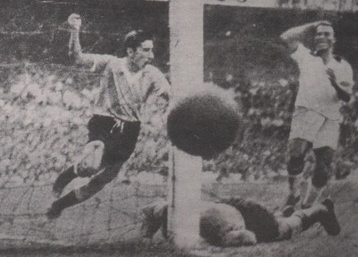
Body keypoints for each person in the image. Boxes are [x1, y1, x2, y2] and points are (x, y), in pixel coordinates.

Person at [46, 13, 170, 219]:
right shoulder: (112, 64)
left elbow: (168, 93)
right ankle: (64, 178)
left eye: (152, 50)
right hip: (104, 122)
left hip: (130, 129)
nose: (151, 56)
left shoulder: (152, 74)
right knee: (90, 166)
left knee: (103, 179)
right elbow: (77, 58)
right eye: (146, 50)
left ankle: (60, 205)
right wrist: (74, 31)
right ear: (131, 51)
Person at [280, 20, 354, 210]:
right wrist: (314, 24)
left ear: (333, 40)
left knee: (323, 168)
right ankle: (293, 193)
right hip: (306, 111)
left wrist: (335, 83)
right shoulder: (306, 57)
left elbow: (346, 97)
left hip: (329, 117)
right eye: (318, 34)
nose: (321, 37)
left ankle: (307, 205)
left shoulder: (343, 65)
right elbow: (286, 36)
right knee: (295, 155)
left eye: (326, 34)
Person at [140, 197, 341, 246]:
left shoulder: (196, 226)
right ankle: (280, 215)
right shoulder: (175, 205)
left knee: (281, 231)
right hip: (233, 205)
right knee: (275, 222)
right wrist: (146, 236)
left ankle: (320, 210)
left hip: (244, 217)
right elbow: (153, 212)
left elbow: (249, 238)